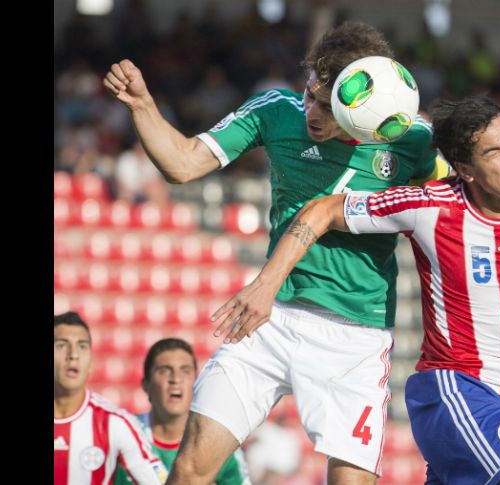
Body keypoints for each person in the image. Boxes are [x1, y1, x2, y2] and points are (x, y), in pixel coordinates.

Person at [216, 96, 500, 485]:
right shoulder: (430, 206)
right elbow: (324, 209)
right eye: (493, 152)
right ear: (464, 170)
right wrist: (266, 285)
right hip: (452, 390)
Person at [104, 21, 450, 485]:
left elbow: (456, 207)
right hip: (268, 319)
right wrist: (143, 106)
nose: (311, 111)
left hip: (354, 337)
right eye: (309, 94)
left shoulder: (411, 141)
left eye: (327, 106)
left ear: (364, 108)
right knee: (188, 472)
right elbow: (183, 163)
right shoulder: (275, 111)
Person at [113, 338, 250, 484]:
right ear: (146, 384)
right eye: (164, 370)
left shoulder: (219, 442)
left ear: (197, 383)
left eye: (185, 371)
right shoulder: (121, 433)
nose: (176, 379)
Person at [54, 311, 167, 485]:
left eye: (82, 346)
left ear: (90, 362)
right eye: (62, 345)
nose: (73, 355)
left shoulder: (114, 422)